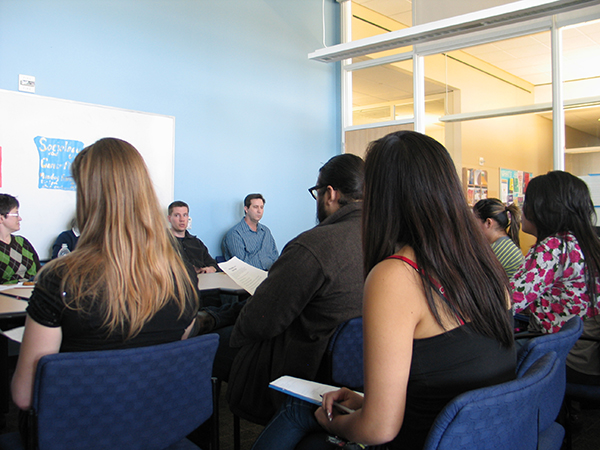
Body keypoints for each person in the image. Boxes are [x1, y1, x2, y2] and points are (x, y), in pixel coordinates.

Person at [251, 131, 515, 450]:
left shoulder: (396, 275)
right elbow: (446, 371)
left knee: (298, 409)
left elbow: (379, 429)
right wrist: (364, 400)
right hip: (482, 436)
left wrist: (330, 421)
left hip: (423, 439)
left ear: (382, 196)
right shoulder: (484, 264)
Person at [11, 138, 199, 435]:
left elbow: (24, 396)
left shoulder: (60, 279)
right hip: (157, 427)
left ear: (89, 197)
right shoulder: (183, 276)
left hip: (79, 431)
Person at [198, 154, 365, 424]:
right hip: (357, 370)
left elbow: (258, 321)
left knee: (209, 345)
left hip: (303, 366)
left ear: (330, 194)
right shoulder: (384, 240)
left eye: (317, 193)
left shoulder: (313, 246)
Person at [511, 170, 600, 384]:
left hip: (567, 354)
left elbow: (507, 301)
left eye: (528, 202)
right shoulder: (586, 241)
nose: (522, 210)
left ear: (544, 208)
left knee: (482, 357)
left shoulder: (554, 247)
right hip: (588, 350)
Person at [222, 193, 278, 270]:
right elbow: (242, 265)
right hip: (250, 277)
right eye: (255, 207)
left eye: (261, 207)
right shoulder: (235, 234)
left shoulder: (266, 231)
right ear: (246, 209)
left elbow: (275, 256)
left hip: (271, 275)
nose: (259, 211)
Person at [473, 198, 524, 277]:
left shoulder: (499, 250)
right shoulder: (504, 243)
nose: (471, 227)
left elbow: (475, 277)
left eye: (474, 222)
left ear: (488, 223)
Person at [168, 201, 218, 274]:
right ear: (169, 219)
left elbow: (212, 263)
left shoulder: (196, 242)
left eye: (185, 215)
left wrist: (211, 268)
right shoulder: (163, 242)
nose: (182, 219)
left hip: (202, 281)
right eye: (177, 215)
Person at [0, 194, 40, 284]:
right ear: (1, 218)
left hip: (33, 290)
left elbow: (39, 270)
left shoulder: (22, 242)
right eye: (16, 214)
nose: (20, 218)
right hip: (7, 295)